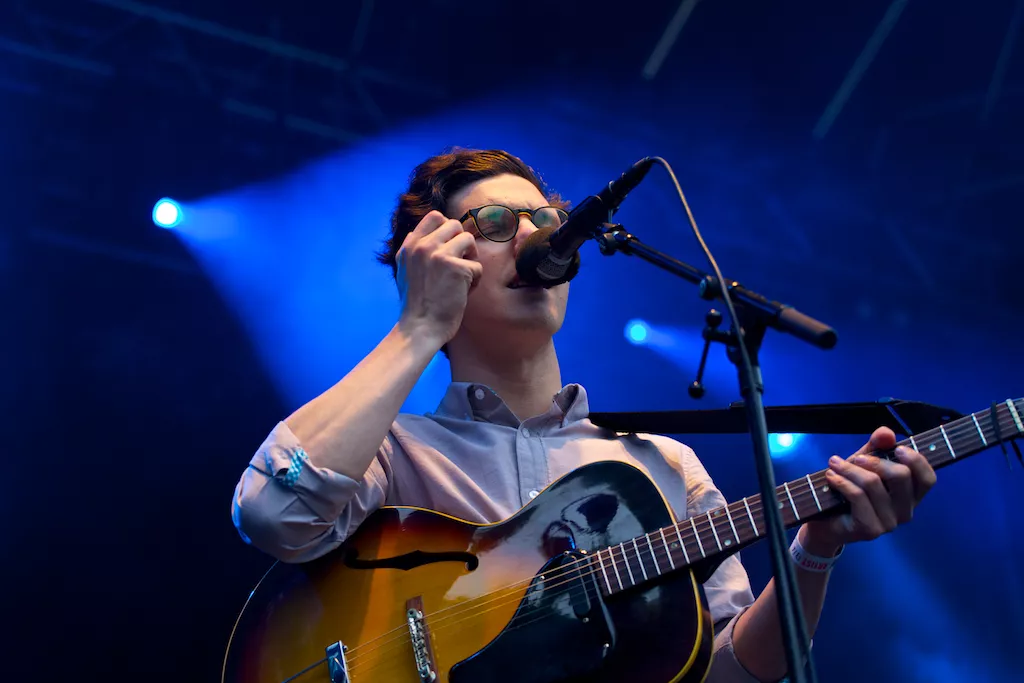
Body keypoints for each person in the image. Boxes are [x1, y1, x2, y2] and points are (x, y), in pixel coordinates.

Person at [231, 148, 936, 682]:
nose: (538, 239)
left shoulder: (662, 464)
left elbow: (723, 670)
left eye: (548, 221)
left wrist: (815, 549)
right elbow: (272, 512)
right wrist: (418, 325)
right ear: (435, 260)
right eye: (500, 224)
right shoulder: (388, 450)